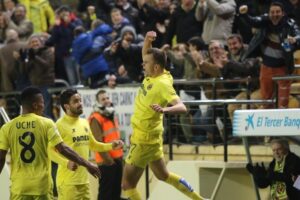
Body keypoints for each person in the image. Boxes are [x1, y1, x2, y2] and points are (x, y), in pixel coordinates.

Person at [121, 31, 203, 200]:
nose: (142, 65)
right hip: (152, 137)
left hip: (143, 140)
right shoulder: (158, 73)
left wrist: (165, 110)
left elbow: (182, 107)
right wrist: (147, 40)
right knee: (163, 175)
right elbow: (146, 53)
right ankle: (199, 199)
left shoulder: (163, 84)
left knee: (127, 184)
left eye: (145, 63)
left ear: (156, 66)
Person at [0, 86, 100, 199]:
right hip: (41, 187)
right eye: (42, 102)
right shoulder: (47, 123)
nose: (44, 106)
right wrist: (87, 164)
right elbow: (63, 149)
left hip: (19, 188)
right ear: (35, 105)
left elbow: (1, 158)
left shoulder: (7, 127)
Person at [50, 88, 124, 200]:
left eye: (80, 100)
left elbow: (93, 144)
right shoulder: (59, 125)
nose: (80, 104)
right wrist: (65, 163)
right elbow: (49, 151)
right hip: (68, 183)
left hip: (84, 181)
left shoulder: (84, 122)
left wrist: (111, 145)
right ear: (66, 106)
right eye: (76, 101)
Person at [239, 2, 300, 108]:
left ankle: (282, 122)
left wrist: (295, 39)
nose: (275, 14)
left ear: (283, 13)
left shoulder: (290, 23)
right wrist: (244, 14)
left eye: (277, 12)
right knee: (266, 100)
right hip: (266, 67)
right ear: (269, 13)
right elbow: (253, 21)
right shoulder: (264, 20)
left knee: (283, 102)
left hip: (283, 67)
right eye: (272, 12)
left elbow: (299, 34)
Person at [89, 90, 123, 200]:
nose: (106, 101)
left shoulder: (111, 114)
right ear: (97, 102)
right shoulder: (96, 118)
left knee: (116, 193)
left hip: (117, 159)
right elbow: (98, 143)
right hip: (106, 162)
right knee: (106, 194)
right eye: (103, 99)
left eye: (107, 98)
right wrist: (110, 161)